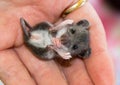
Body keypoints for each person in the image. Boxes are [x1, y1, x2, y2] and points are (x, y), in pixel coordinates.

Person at [0, 0, 115, 85]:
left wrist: (56, 48)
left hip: (44, 46)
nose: (69, 39)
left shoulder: (63, 52)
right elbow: (55, 29)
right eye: (72, 31)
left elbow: (57, 52)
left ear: (80, 54)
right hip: (43, 33)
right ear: (80, 24)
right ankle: (30, 34)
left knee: (48, 54)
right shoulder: (62, 28)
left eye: (74, 47)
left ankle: (31, 37)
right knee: (50, 28)